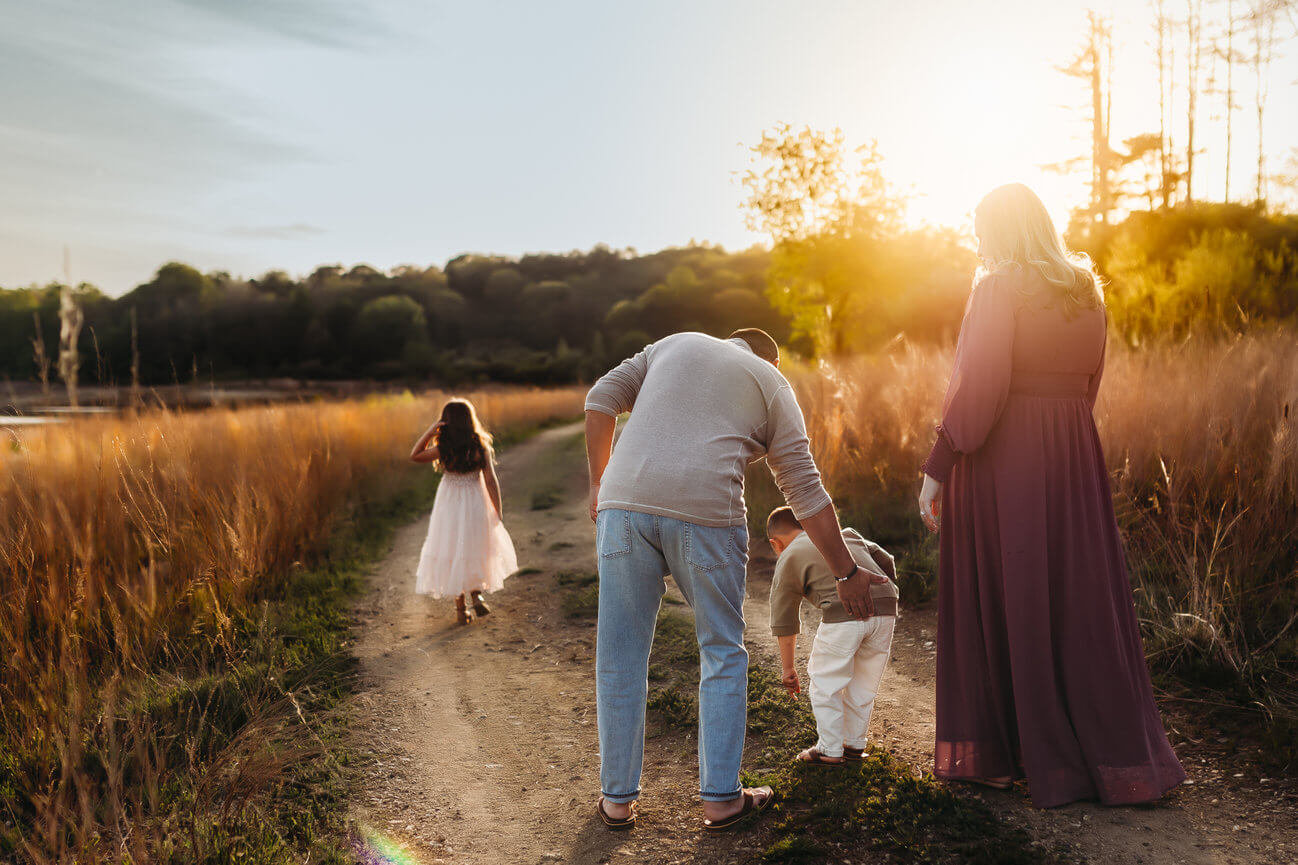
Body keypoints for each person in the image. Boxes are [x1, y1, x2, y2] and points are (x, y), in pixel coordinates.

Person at [917, 183, 1185, 807]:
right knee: (1076, 602)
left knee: (1011, 595)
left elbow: (979, 390)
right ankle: (1099, 757)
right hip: (1071, 455)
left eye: (981, 230)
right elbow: (1091, 381)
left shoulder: (999, 287)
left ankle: (1005, 756)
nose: (977, 243)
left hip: (1005, 458)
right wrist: (1062, 437)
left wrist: (939, 465)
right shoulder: (1086, 288)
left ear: (1002, 231)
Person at [585, 327, 890, 832]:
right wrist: (847, 571)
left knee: (620, 651)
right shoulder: (771, 381)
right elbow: (804, 489)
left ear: (729, 341)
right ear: (771, 359)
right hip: (706, 513)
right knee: (721, 649)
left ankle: (617, 802)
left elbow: (600, 399)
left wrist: (599, 481)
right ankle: (721, 800)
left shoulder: (673, 344)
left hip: (622, 505)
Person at [766, 506, 898, 766]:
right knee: (863, 683)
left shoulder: (788, 555)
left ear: (775, 543)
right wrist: (886, 594)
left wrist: (788, 668)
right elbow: (886, 560)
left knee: (825, 682)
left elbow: (784, 618)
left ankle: (829, 748)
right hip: (886, 608)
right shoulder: (843, 533)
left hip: (845, 611)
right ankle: (853, 745)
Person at [409, 398, 518, 625]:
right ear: (470, 420)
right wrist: (497, 511)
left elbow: (415, 455)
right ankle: (476, 594)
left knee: (451, 548)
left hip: (449, 502)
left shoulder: (444, 448)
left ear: (445, 422)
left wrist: (431, 431)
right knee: (474, 545)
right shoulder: (480, 446)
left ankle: (461, 611)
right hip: (475, 500)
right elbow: (490, 480)